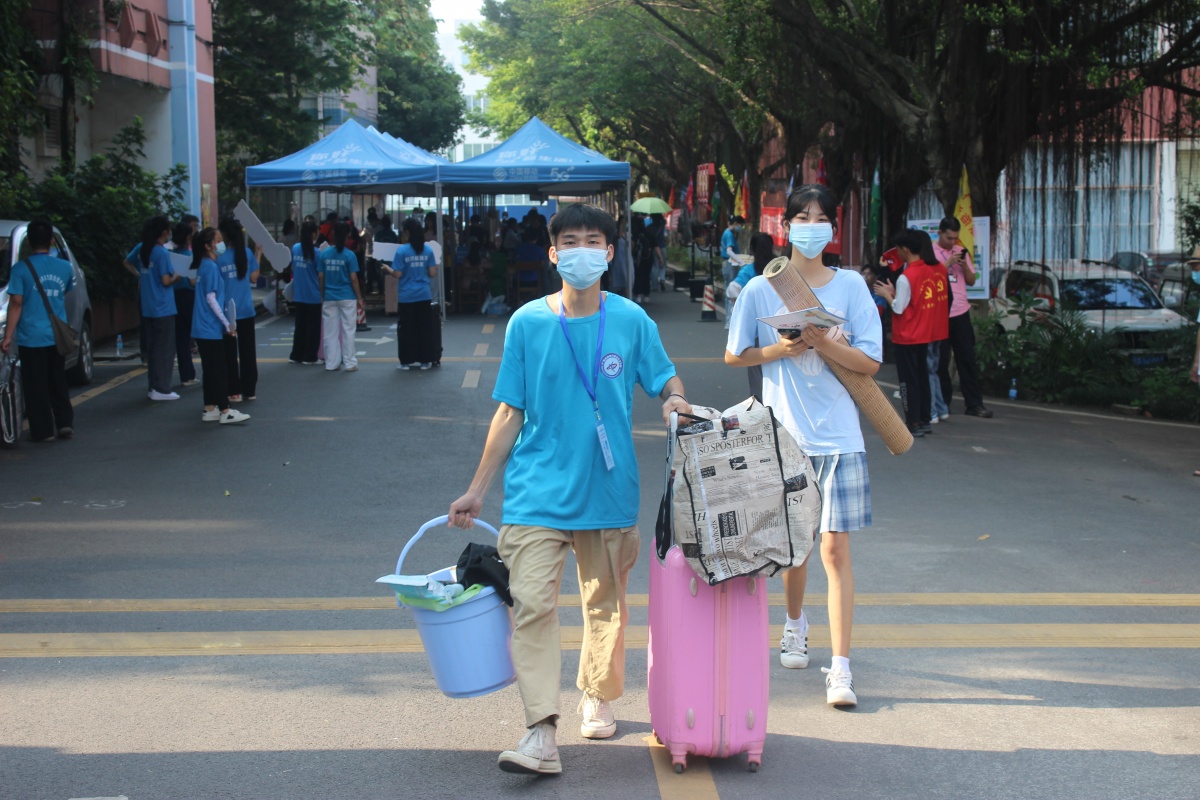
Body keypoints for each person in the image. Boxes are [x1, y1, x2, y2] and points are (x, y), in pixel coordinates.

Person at [448, 203, 691, 776]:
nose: (583, 251)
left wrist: (677, 399)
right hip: (535, 492)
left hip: (608, 491)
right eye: (572, 241)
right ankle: (540, 731)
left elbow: (664, 377)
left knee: (604, 606)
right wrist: (477, 489)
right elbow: (509, 411)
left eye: (594, 241)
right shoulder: (527, 323)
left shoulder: (631, 320)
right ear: (554, 253)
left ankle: (597, 693)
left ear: (610, 253)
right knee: (531, 604)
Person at [725, 184, 883, 708]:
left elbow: (871, 363)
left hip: (841, 439)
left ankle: (841, 669)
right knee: (796, 548)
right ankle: (794, 623)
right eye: (802, 217)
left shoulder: (851, 287)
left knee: (835, 550)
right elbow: (735, 355)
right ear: (785, 226)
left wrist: (824, 342)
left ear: (833, 228)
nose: (811, 226)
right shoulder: (759, 289)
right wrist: (780, 348)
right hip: (784, 437)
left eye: (821, 218)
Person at [0, 218, 76, 441]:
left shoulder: (20, 269)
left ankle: (43, 431)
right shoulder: (65, 267)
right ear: (51, 240)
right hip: (56, 335)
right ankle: (64, 423)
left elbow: (16, 304)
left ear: (28, 242)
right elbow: (65, 292)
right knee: (57, 379)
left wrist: (7, 336)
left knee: (36, 385)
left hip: (31, 336)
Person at [873, 228, 949, 437]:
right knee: (923, 376)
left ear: (905, 249)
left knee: (908, 381)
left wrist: (887, 295)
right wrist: (896, 294)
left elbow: (899, 308)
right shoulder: (935, 269)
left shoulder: (907, 276)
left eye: (898, 249)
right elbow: (918, 299)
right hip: (926, 332)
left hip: (907, 334)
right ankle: (924, 419)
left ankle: (912, 421)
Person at [932, 217, 993, 418]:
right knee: (941, 361)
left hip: (960, 311)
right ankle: (943, 404)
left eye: (955, 239)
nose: (952, 242)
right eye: (948, 238)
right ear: (939, 233)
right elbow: (929, 278)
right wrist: (946, 264)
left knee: (966, 358)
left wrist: (964, 265)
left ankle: (974, 404)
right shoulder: (930, 252)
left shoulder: (961, 251)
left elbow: (972, 280)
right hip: (939, 312)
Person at [190, 227, 250, 425]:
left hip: (202, 326)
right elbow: (211, 298)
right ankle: (225, 410)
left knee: (210, 369)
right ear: (208, 246)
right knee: (218, 370)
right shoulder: (211, 267)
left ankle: (210, 408)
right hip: (210, 327)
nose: (220, 243)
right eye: (217, 240)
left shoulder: (203, 265)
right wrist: (227, 323)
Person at [127, 216, 180, 401]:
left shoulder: (142, 248)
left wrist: (140, 276)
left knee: (153, 348)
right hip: (163, 306)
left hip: (147, 305)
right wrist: (178, 276)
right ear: (164, 232)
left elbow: (126, 262)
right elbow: (166, 281)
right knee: (165, 349)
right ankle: (162, 388)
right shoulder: (162, 253)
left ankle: (153, 387)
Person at [384, 219, 439, 370]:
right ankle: (425, 361)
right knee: (424, 328)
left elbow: (398, 274)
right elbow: (432, 273)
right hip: (424, 295)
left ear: (407, 232)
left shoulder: (402, 251)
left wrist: (387, 269)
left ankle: (406, 362)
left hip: (406, 297)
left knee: (407, 330)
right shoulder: (428, 250)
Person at [216, 217, 260, 402]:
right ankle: (250, 390)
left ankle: (233, 390)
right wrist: (258, 254)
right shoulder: (247, 253)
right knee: (248, 351)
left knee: (229, 353)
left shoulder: (219, 258)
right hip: (246, 309)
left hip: (227, 312)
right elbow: (254, 278)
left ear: (225, 235)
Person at [317, 221, 364, 372]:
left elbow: (320, 276)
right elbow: (354, 278)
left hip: (330, 297)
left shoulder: (325, 254)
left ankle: (331, 363)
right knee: (348, 330)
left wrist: (323, 294)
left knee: (330, 332)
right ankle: (350, 363)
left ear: (333, 234)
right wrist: (359, 297)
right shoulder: (350, 255)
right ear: (348, 235)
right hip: (347, 296)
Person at [288, 220, 322, 365]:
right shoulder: (317, 253)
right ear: (314, 234)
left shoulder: (295, 248)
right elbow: (320, 275)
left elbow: (292, 268)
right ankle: (310, 357)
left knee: (300, 326)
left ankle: (296, 355)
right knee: (313, 328)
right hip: (313, 295)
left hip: (299, 294)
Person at [170, 222, 198, 387]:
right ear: (188, 237)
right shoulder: (190, 256)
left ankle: (186, 376)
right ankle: (196, 374)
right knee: (198, 334)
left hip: (173, 297)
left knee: (181, 338)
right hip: (190, 297)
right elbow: (193, 282)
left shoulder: (170, 255)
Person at [721, 215, 746, 327]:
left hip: (729, 264)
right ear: (736, 223)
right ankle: (729, 320)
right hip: (730, 264)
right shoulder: (729, 234)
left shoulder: (728, 233)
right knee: (731, 291)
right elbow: (729, 251)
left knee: (730, 290)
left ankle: (730, 320)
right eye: (740, 225)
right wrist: (741, 261)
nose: (740, 227)